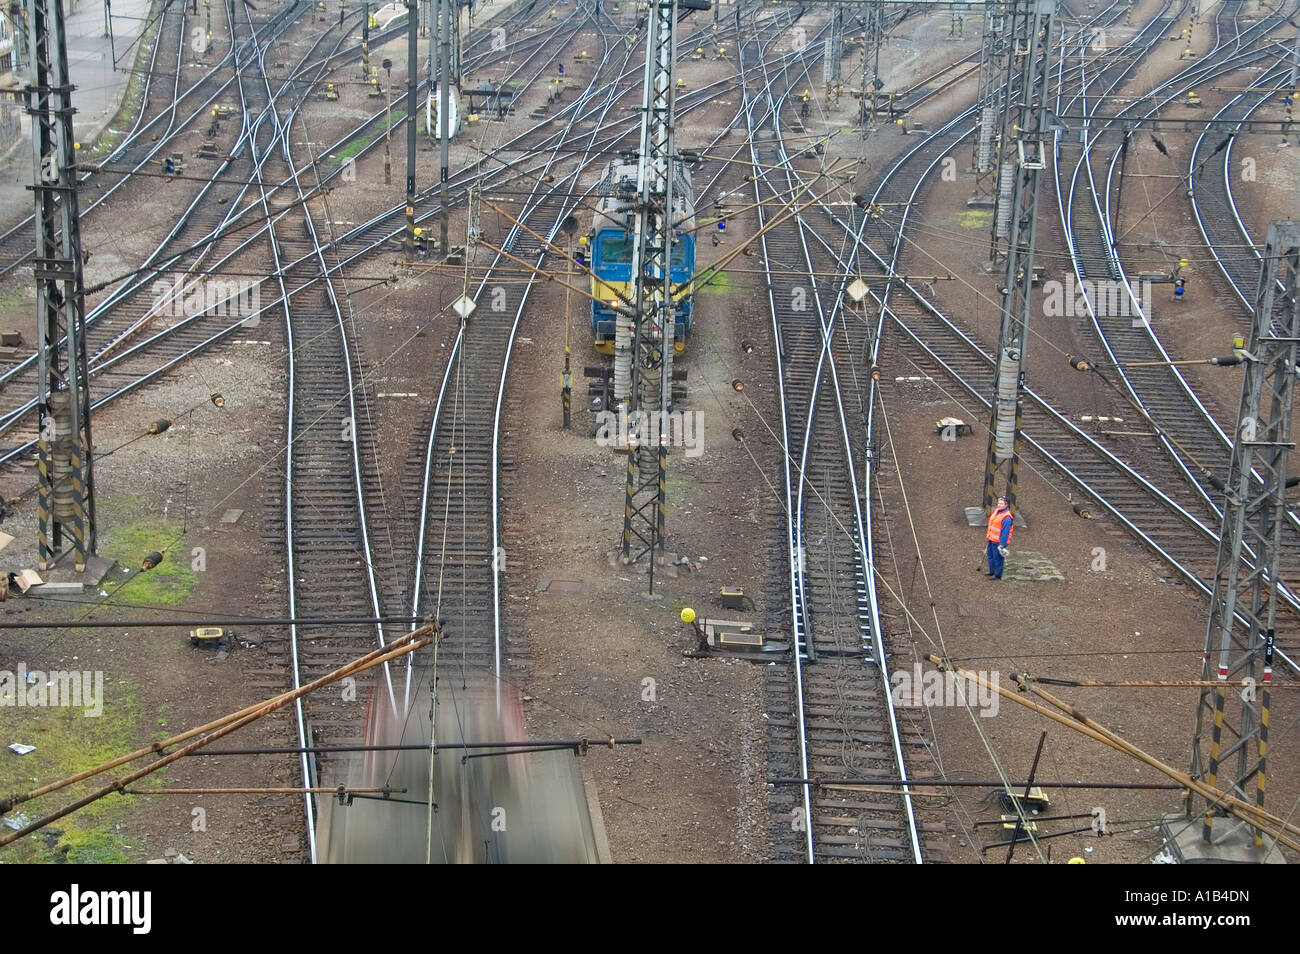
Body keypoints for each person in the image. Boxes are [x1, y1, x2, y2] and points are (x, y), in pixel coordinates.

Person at [985, 496, 1013, 580]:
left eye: (1001, 503)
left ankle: (997, 574)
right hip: (991, 538)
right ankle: (992, 571)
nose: (999, 505)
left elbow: (1005, 532)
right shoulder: (997, 511)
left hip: (998, 541)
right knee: (990, 555)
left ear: (1006, 505)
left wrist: (1002, 545)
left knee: (998, 558)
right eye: (998, 503)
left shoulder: (1007, 517)